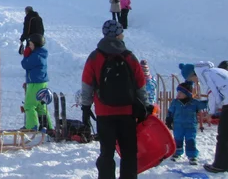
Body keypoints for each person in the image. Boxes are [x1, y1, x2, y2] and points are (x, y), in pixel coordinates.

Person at [80, 20, 149, 179]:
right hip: (127, 112)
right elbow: (140, 84)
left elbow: (87, 84)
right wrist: (145, 105)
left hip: (104, 113)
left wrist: (85, 107)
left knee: (106, 153)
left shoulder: (95, 57)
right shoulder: (129, 56)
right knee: (129, 153)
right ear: (118, 35)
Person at [185, 61, 228, 173]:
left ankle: (220, 165)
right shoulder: (218, 71)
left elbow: (213, 95)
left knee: (224, 135)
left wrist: (210, 112)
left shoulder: (207, 75)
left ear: (195, 73)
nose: (195, 81)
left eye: (193, 79)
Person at [165, 81, 208, 165]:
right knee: (178, 139)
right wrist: (168, 120)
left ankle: (192, 156)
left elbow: (204, 105)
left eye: (181, 92)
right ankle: (177, 153)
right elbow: (170, 112)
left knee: (190, 140)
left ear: (187, 94)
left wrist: (210, 98)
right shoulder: (175, 102)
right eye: (178, 92)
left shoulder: (194, 102)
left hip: (190, 126)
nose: (178, 94)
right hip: (178, 125)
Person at [21, 34, 49, 131]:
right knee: (41, 105)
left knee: (29, 105)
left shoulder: (35, 56)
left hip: (35, 83)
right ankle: (45, 126)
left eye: (31, 44)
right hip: (42, 82)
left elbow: (25, 64)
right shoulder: (42, 54)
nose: (29, 46)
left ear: (35, 45)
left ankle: (32, 126)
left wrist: (26, 55)